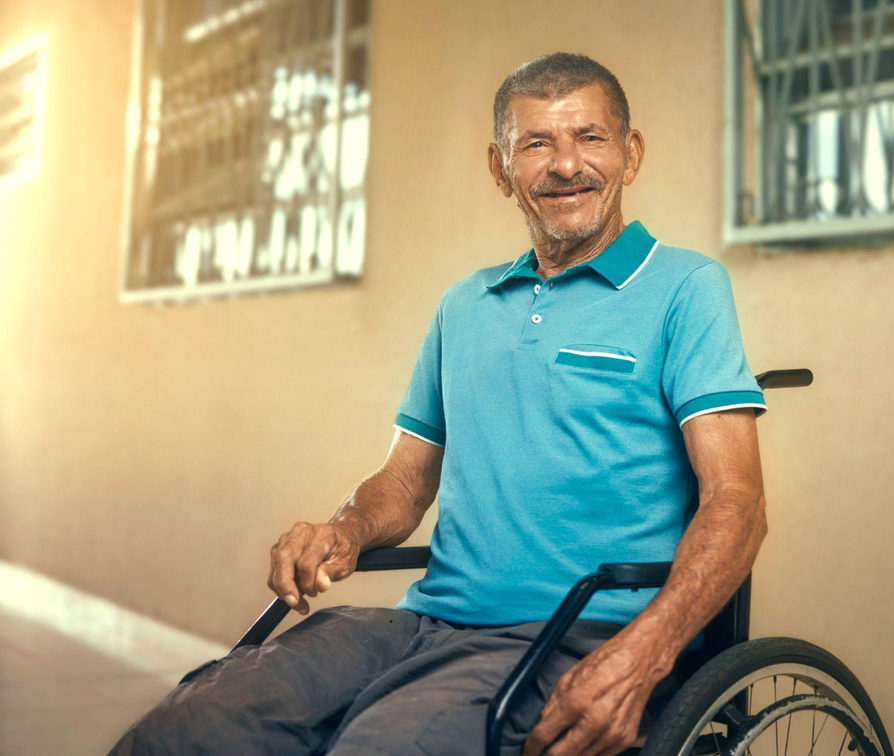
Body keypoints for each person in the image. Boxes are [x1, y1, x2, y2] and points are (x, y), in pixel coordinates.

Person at [110, 51, 769, 756]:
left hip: (577, 634)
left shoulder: (685, 287)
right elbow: (403, 483)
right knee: (190, 725)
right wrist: (346, 530)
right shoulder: (465, 306)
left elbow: (737, 502)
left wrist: (647, 653)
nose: (566, 164)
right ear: (500, 169)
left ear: (629, 154)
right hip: (425, 623)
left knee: (381, 746)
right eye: (536, 143)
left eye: (590, 137)